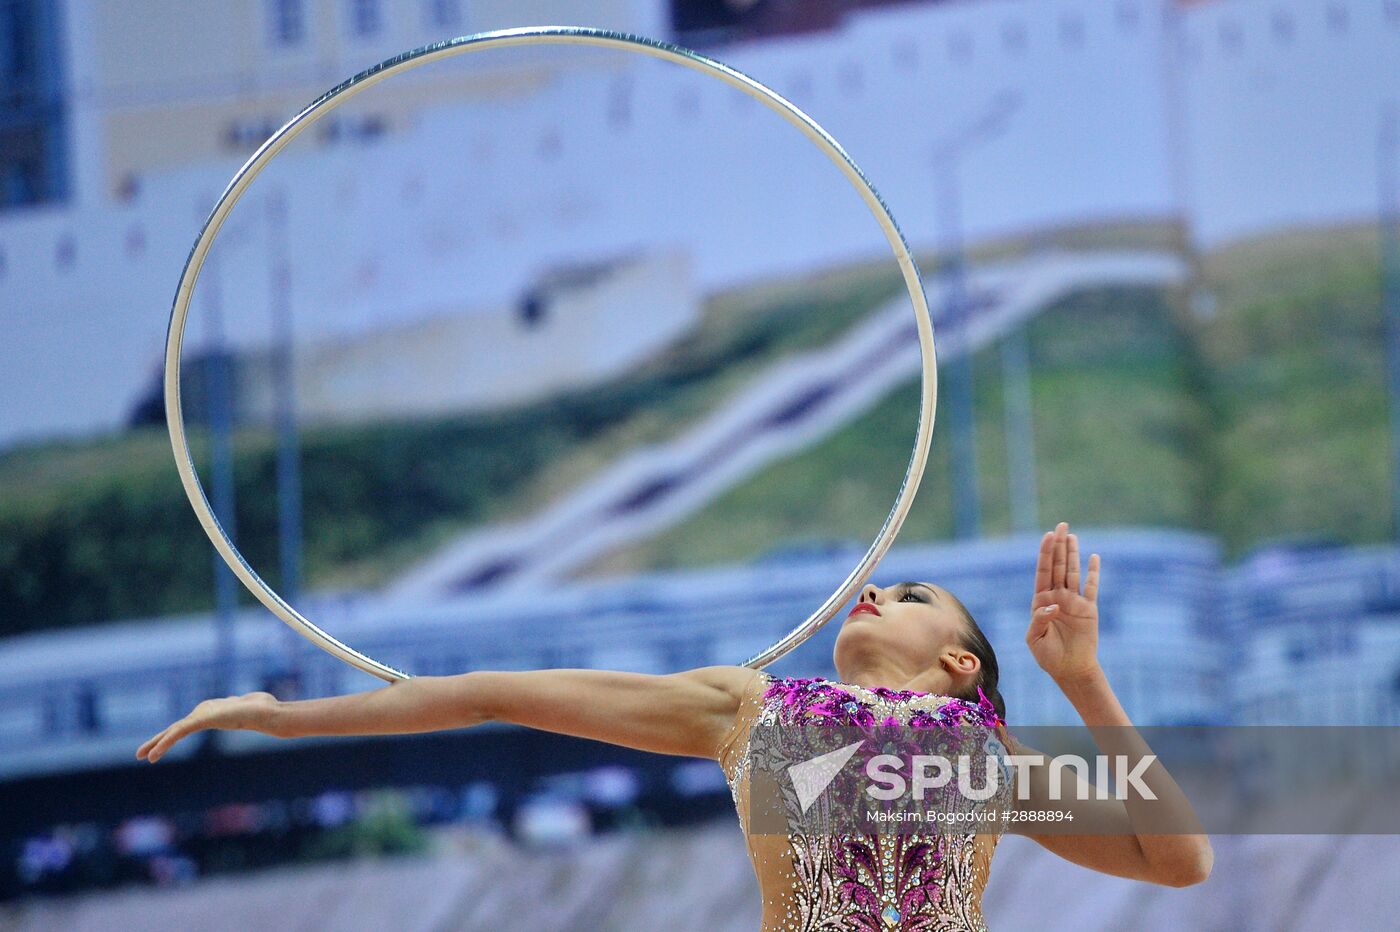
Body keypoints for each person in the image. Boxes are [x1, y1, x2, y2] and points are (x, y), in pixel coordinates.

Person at [138, 522, 1212, 928]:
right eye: (873, 584)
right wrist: (283, 717)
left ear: (960, 661)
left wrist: (1083, 682)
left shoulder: (988, 753)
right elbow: (488, 691)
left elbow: (1174, 860)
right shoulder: (747, 706)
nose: (872, 590)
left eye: (911, 591)